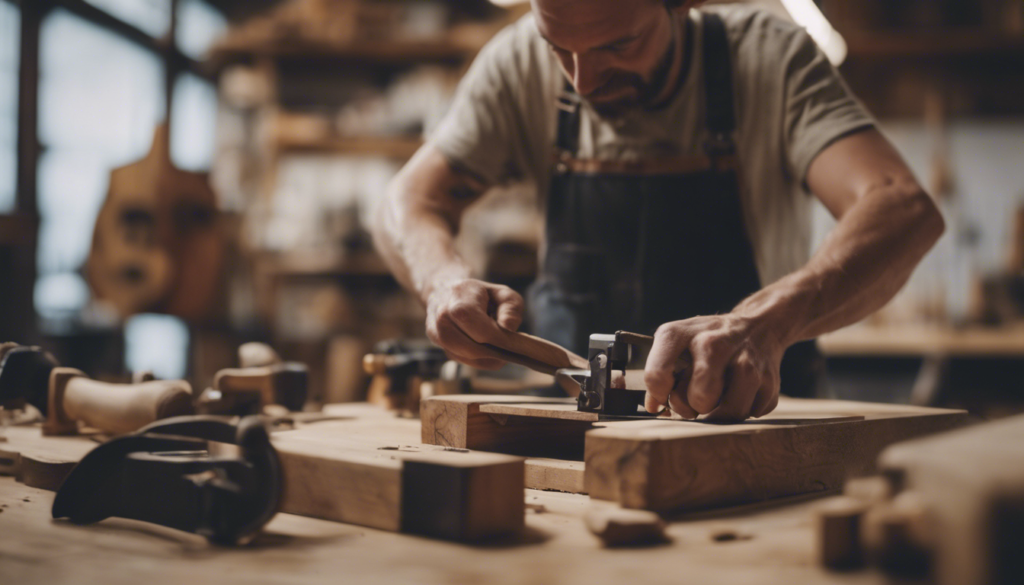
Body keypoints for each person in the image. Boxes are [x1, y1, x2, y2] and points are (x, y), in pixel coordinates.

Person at [371, 0, 944, 421]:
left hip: (750, 423)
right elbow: (406, 201)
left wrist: (764, 324)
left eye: (617, 47)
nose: (584, 82)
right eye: (560, 50)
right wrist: (443, 283)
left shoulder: (767, 58)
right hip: (579, 431)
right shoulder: (518, 62)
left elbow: (902, 209)